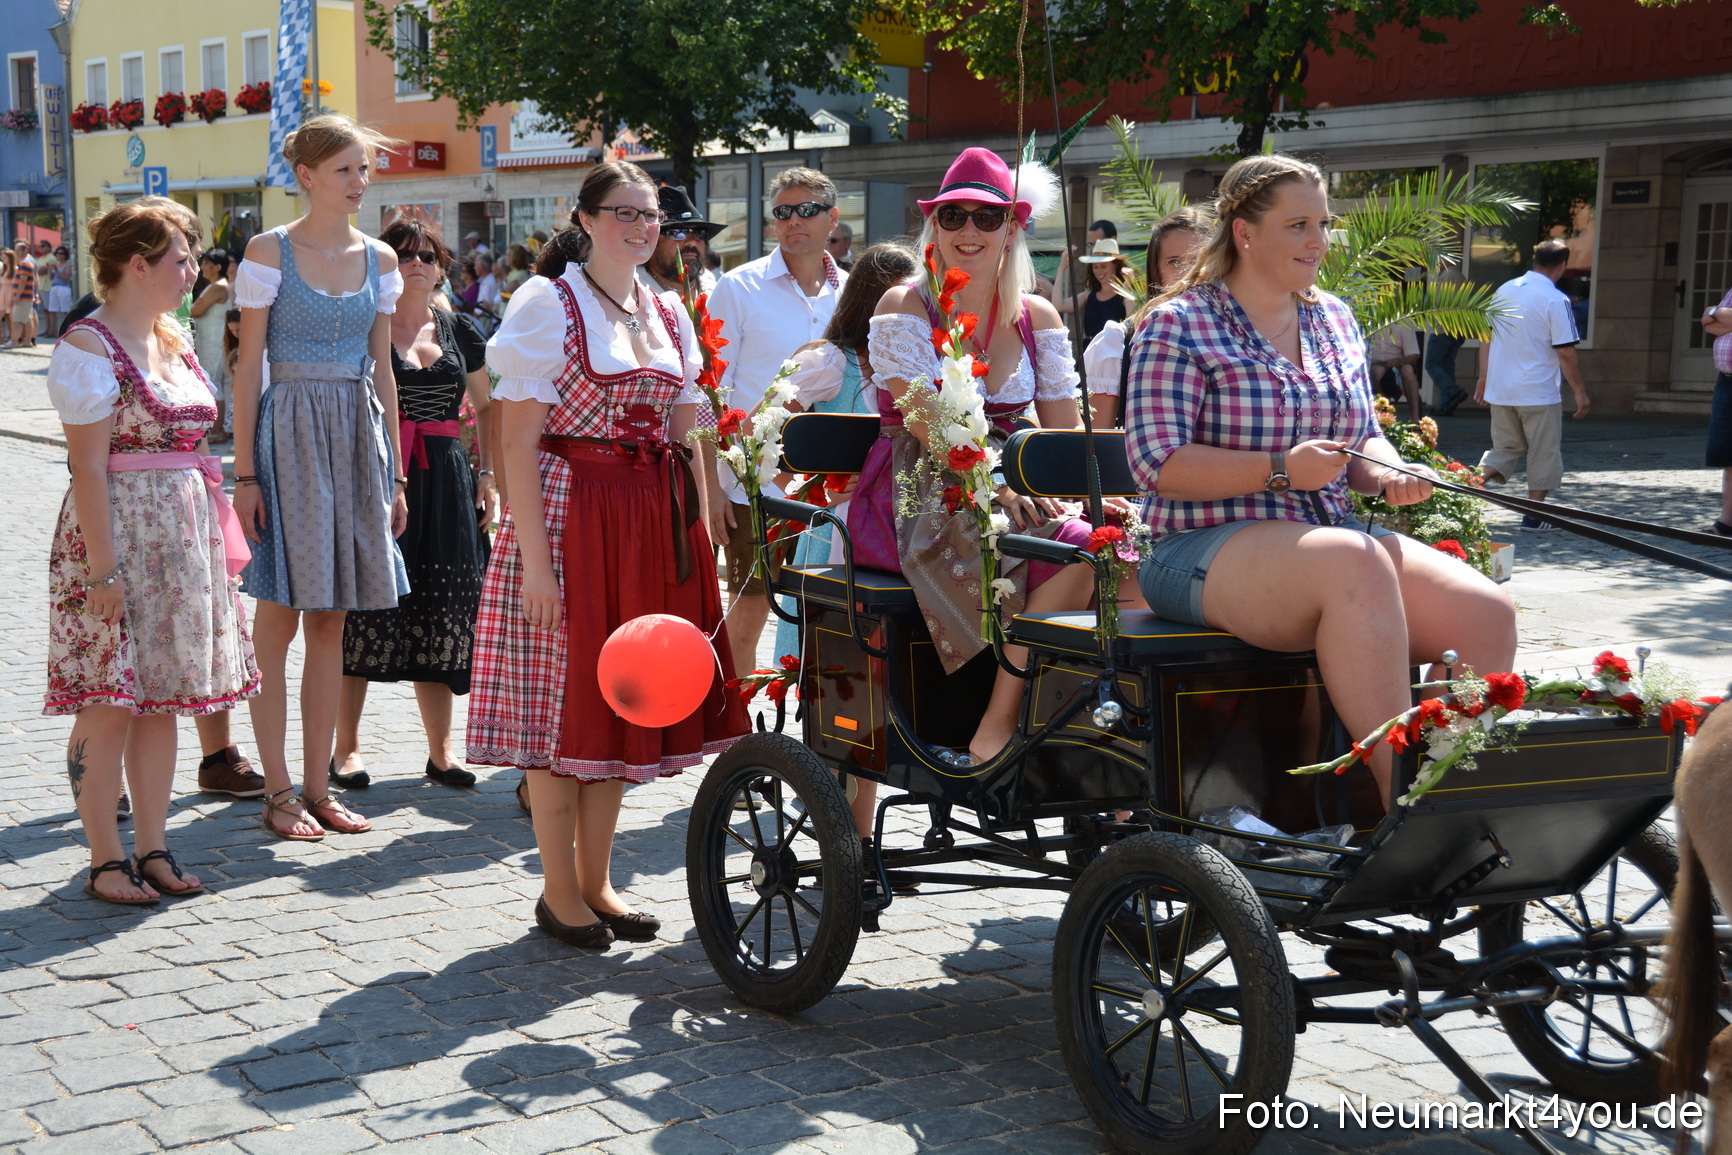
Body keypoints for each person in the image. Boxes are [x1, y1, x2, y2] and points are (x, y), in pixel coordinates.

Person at [1125, 153, 1516, 804]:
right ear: (1245, 233)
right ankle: (1409, 802)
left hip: (1326, 543)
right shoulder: (1178, 322)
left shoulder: (1331, 316)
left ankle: (1457, 778)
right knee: (1352, 560)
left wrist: (1394, 469)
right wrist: (1281, 469)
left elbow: (1360, 437)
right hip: (1195, 550)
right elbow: (1155, 463)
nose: (1320, 240)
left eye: (1324, 222)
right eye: (1299, 224)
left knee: (1485, 610)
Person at [467, 162, 749, 948]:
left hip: (648, 522)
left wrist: (716, 488)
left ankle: (597, 882)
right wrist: (533, 561)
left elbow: (688, 420)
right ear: (585, 219)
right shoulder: (545, 304)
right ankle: (559, 891)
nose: (640, 225)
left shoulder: (666, 310)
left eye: (649, 214)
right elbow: (517, 442)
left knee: (624, 699)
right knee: (564, 707)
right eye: (622, 212)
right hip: (569, 515)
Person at [853, 146, 1103, 766]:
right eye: (953, 215)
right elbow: (925, 420)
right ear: (933, 224)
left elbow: (1064, 433)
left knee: (1126, 549)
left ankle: (1084, 727)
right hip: (921, 488)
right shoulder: (904, 306)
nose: (969, 230)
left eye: (987, 218)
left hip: (1017, 479)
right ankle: (997, 725)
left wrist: (1100, 491)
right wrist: (996, 485)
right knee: (1073, 546)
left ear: (1014, 227)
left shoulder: (1037, 314)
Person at [44, 197, 260, 903]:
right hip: (117, 540)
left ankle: (155, 846)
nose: (194, 268)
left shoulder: (171, 337)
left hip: (182, 539)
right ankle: (106, 856)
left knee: (162, 697)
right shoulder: (86, 346)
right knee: (109, 700)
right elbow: (88, 469)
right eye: (181, 257)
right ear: (137, 265)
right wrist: (102, 569)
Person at [231, 114, 409, 842]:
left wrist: (395, 474)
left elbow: (387, 371)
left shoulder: (381, 260)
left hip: (355, 431)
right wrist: (245, 473)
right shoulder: (268, 251)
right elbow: (246, 371)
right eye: (345, 169)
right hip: (291, 431)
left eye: (364, 169)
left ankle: (317, 782)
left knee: (332, 617)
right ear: (306, 176)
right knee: (278, 614)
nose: (359, 182)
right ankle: (276, 787)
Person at [334, 219, 497, 789]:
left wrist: (489, 475)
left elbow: (489, 407)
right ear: (382, 266)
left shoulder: (459, 329)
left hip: (449, 480)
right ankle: (346, 749)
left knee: (443, 610)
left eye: (427, 254)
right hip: (380, 477)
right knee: (363, 610)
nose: (417, 263)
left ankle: (441, 750)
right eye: (403, 255)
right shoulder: (364, 327)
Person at [705, 167, 847, 674]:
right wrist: (712, 487)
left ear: (833, 217)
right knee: (750, 608)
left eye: (807, 209)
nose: (794, 221)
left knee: (830, 608)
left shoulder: (850, 294)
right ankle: (731, 728)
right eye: (783, 212)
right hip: (752, 484)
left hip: (833, 488)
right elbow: (709, 393)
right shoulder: (738, 288)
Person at [1473, 239, 1591, 531]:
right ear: (1562, 265)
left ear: (1533, 259)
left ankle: (1466, 488)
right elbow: (1565, 351)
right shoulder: (1555, 299)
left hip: (1501, 388)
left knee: (1504, 447)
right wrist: (1579, 391)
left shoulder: (1504, 290)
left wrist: (1483, 377)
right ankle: (1533, 516)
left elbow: (1485, 339)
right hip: (1537, 390)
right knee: (1543, 451)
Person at [1083, 208, 1210, 428]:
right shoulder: (1119, 341)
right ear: (1156, 268)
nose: (1187, 274)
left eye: (1197, 262)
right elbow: (1100, 443)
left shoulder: (1248, 332)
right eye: (1174, 262)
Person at [643, 186, 722, 298]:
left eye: (699, 233)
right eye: (678, 232)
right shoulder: (634, 292)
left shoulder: (715, 289)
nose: (692, 242)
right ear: (652, 240)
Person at [189, 249, 231, 440]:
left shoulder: (218, 287)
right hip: (210, 340)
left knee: (214, 383)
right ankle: (216, 429)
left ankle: (217, 430)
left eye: (207, 263)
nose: (203, 267)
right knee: (213, 382)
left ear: (218, 267)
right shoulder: (216, 286)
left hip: (215, 341)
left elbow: (196, 310)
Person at [1054, 237, 1130, 342]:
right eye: (1095, 267)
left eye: (1103, 266)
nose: (1099, 271)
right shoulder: (1088, 296)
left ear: (1115, 266)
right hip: (1090, 353)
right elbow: (1058, 305)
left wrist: (1129, 285)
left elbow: (1133, 320)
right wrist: (1061, 269)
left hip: (1115, 353)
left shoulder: (1125, 295)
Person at [1700, 289, 1732, 536]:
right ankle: (1727, 522)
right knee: (1726, 454)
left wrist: (1719, 315)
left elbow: (1717, 321)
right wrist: (1715, 313)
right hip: (1727, 380)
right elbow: (1707, 323)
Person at [1368, 321, 1421, 422]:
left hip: (1398, 365)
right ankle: (1386, 417)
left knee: (1408, 370)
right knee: (1378, 371)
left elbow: (1413, 355)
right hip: (1374, 364)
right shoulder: (1368, 322)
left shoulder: (1403, 322)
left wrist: (1399, 361)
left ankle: (1416, 419)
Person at [10, 241, 38, 347]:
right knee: (28, 319)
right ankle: (27, 341)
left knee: (17, 319)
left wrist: (17, 295)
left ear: (25, 251)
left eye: (18, 250)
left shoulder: (24, 263)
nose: (16, 252)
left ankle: (14, 341)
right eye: (15, 250)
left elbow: (23, 281)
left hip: (23, 296)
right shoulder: (26, 262)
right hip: (27, 296)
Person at [46, 246, 74, 339]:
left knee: (65, 310)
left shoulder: (67, 265)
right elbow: (51, 278)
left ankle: (68, 331)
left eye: (61, 253)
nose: (59, 255)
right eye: (57, 253)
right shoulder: (55, 264)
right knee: (52, 310)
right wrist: (51, 271)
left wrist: (57, 270)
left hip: (63, 288)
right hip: (54, 287)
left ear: (65, 255)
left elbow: (66, 278)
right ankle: (53, 332)